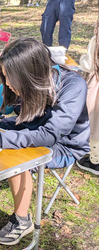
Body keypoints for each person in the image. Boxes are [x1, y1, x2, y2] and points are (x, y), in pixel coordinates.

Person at [0, 38, 90, 245]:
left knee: (16, 156)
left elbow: (52, 133)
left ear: (30, 75)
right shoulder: (15, 81)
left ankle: (22, 220)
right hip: (28, 127)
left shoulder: (72, 85)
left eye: (10, 78)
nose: (7, 84)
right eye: (5, 77)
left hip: (64, 143)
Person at [76, 18, 99, 175]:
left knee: (95, 122)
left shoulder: (96, 41)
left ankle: (95, 160)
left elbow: (88, 64)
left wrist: (81, 60)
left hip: (96, 85)